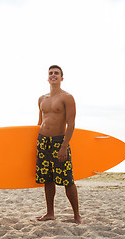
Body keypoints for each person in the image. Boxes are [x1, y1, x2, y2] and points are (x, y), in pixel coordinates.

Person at [36, 65, 82, 224]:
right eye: (51, 73)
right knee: (47, 179)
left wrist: (64, 146)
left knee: (67, 180)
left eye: (56, 73)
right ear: (47, 78)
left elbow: (71, 124)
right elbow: (39, 122)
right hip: (43, 141)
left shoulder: (67, 97)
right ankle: (50, 213)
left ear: (61, 78)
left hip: (58, 142)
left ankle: (77, 216)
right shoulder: (42, 99)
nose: (53, 75)